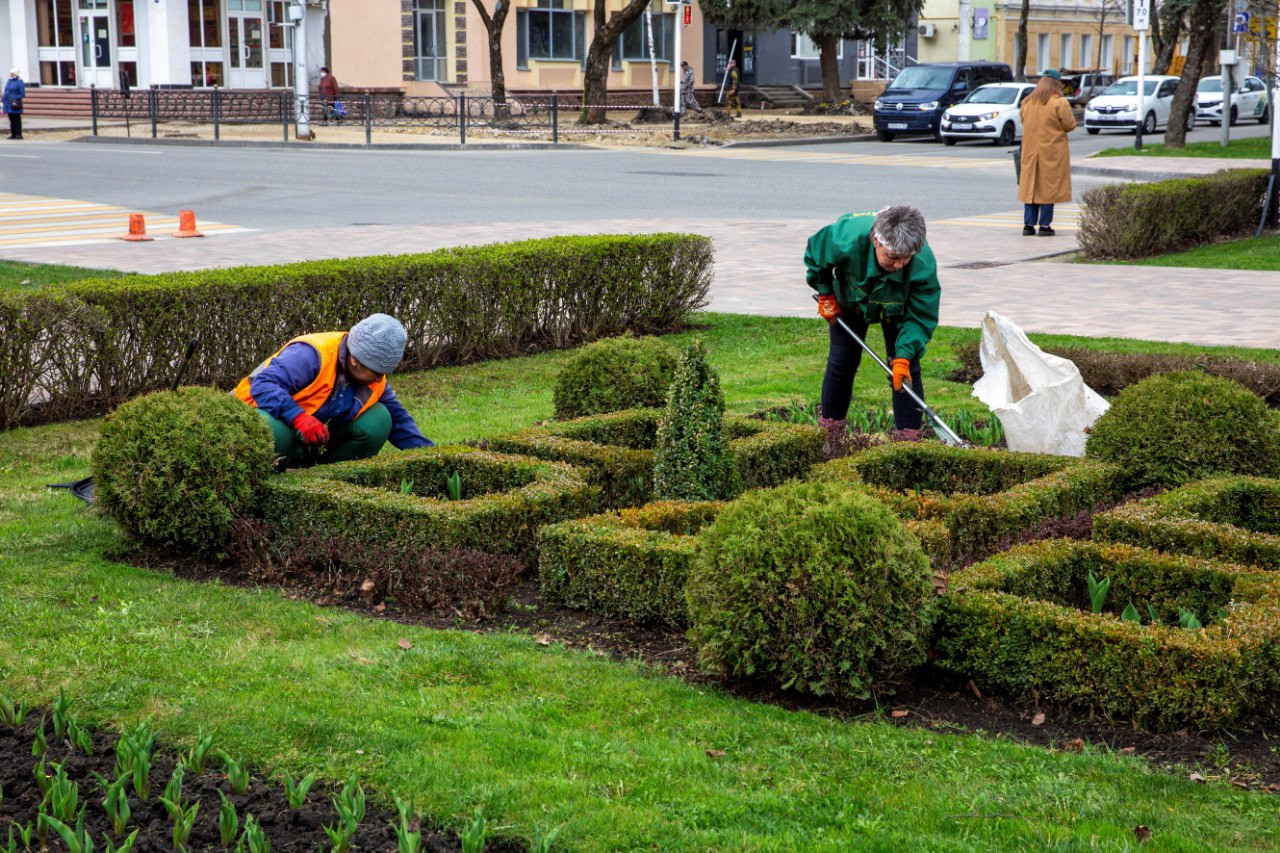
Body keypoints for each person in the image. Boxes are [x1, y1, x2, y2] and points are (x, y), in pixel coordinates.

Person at [804, 205, 940, 451]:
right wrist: (825, 292)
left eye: (905, 258)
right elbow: (816, 255)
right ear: (876, 241)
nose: (899, 264)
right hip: (852, 296)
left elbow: (921, 315)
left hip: (898, 307)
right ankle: (830, 436)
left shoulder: (922, 264)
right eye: (893, 257)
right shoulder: (846, 237)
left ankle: (907, 445)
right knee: (842, 360)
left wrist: (904, 356)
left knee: (905, 370)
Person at [233, 313, 434, 468]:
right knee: (276, 430)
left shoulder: (373, 378)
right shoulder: (311, 355)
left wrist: (433, 457)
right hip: (250, 422)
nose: (380, 378)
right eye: (376, 371)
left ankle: (320, 473)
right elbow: (263, 384)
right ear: (355, 359)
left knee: (381, 418)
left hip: (305, 440)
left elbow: (399, 421)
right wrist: (298, 418)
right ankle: (273, 473)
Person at [1018, 69, 1075, 236]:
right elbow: (1069, 125)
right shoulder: (1059, 103)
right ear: (1057, 84)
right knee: (1048, 188)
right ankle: (1044, 226)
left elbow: (1024, 121)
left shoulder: (1027, 103)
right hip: (1052, 152)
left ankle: (1028, 225)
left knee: (1031, 188)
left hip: (1030, 152)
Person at [3, 69, 25, 140]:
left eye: (12, 73)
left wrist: (15, 97)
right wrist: (3, 99)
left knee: (17, 119)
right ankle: (13, 134)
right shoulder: (9, 81)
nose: (11, 74)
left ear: (16, 74)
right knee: (11, 119)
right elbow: (6, 91)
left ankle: (18, 134)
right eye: (10, 73)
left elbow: (22, 94)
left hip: (15, 103)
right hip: (8, 103)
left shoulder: (19, 82)